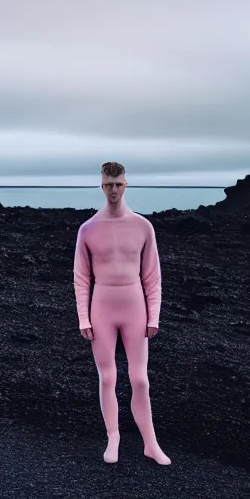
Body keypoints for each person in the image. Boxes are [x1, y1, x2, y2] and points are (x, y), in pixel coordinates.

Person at [73, 161, 171, 466]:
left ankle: (150, 443)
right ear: (101, 187)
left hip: (134, 307)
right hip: (101, 306)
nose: (113, 190)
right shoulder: (88, 228)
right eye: (107, 185)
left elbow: (152, 276)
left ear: (125, 184)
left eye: (117, 184)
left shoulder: (143, 226)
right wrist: (83, 318)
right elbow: (81, 276)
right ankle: (113, 438)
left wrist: (153, 315)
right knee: (108, 378)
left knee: (140, 379)